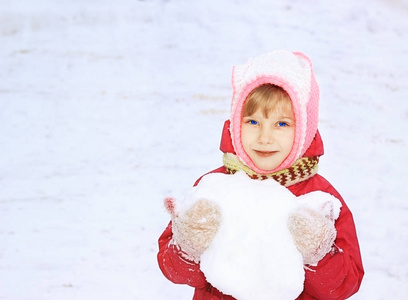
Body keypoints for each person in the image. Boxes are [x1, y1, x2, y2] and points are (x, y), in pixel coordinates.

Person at [157, 50, 364, 299]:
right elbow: (177, 272)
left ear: (305, 130)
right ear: (235, 123)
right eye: (253, 122)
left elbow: (344, 285)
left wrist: (317, 253)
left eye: (282, 124)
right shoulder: (213, 187)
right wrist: (189, 247)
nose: (265, 138)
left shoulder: (320, 199)